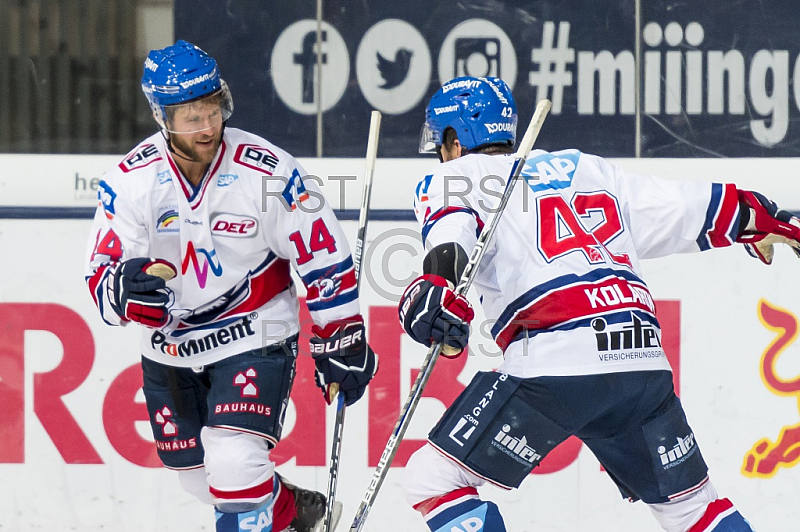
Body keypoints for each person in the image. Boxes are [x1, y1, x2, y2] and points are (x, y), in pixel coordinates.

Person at [398, 76, 800, 532]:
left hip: (554, 362)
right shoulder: (589, 168)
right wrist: (764, 216)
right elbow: (691, 208)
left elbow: (450, 240)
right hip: (641, 363)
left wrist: (433, 287)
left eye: (440, 144)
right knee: (694, 510)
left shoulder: (451, 175)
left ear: (453, 140)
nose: (440, 155)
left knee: (431, 479)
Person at [85, 40, 378, 532]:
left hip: (254, 331)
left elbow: (322, 253)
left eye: (211, 109)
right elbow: (101, 271)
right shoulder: (132, 181)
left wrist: (341, 331)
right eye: (188, 116)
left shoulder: (267, 171)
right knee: (197, 477)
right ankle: (295, 513)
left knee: (235, 463)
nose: (205, 126)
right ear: (161, 116)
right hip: (170, 346)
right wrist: (122, 290)